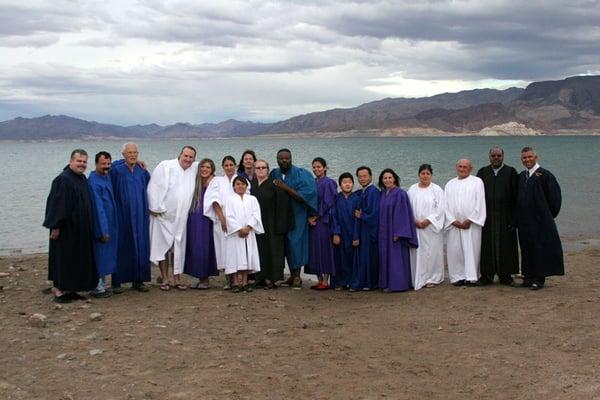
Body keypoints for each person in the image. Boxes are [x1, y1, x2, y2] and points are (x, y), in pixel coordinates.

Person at [43, 149, 97, 303]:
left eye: (84, 162)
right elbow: (56, 204)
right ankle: (59, 291)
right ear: (71, 161)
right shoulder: (63, 180)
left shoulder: (81, 179)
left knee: (76, 259)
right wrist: (55, 226)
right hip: (65, 229)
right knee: (63, 259)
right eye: (79, 161)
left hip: (80, 229)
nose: (82, 164)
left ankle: (72, 289)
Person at [147, 146, 198, 291]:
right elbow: (154, 186)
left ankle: (177, 279)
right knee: (162, 247)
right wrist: (155, 208)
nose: (188, 159)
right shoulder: (166, 166)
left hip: (181, 218)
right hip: (163, 216)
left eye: (191, 157)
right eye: (185, 156)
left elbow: (209, 167)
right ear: (180, 155)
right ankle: (165, 279)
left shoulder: (194, 169)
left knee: (177, 248)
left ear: (194, 159)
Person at [516, 147, 564, 290]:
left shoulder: (545, 175)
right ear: (521, 160)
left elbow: (555, 198)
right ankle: (528, 277)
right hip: (524, 222)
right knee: (526, 248)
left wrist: (547, 216)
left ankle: (539, 278)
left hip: (540, 221)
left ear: (536, 157)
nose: (527, 160)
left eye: (530, 157)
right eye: (524, 158)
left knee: (540, 249)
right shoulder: (522, 177)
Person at [270, 149, 318, 289]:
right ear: (277, 159)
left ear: (291, 158)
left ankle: (297, 276)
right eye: (281, 158)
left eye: (287, 158)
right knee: (284, 245)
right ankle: (291, 275)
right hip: (280, 215)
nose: (284, 161)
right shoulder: (274, 173)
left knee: (295, 243)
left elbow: (305, 196)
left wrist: (285, 187)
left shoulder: (302, 174)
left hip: (297, 214)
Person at [110, 142, 151, 292]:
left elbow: (151, 189)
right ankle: (117, 282)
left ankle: (138, 280)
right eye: (129, 153)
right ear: (123, 155)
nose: (133, 155)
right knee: (122, 246)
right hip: (123, 215)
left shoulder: (142, 171)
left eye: (135, 152)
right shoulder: (117, 170)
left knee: (140, 246)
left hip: (140, 215)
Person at [476, 147, 519, 286]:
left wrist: (514, 218)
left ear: (503, 156)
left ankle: (506, 275)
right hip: (486, 217)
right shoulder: (482, 173)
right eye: (493, 155)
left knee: (507, 246)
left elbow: (516, 196)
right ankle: (486, 275)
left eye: (498, 155)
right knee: (486, 246)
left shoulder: (511, 172)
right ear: (489, 157)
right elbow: (476, 196)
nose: (496, 158)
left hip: (505, 216)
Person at [250, 159, 294, 289]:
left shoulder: (275, 184)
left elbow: (283, 204)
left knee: (273, 250)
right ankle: (260, 278)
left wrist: (280, 224)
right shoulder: (251, 185)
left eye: (263, 167)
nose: (260, 170)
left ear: (268, 169)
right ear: (254, 169)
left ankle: (273, 280)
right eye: (258, 168)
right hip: (256, 223)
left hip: (272, 222)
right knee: (259, 250)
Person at [444, 159, 487, 286]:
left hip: (471, 224)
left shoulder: (477, 182)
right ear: (456, 167)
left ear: (470, 168)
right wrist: (452, 220)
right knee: (455, 251)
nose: (462, 169)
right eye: (460, 166)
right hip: (455, 225)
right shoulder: (450, 184)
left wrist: (470, 219)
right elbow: (445, 205)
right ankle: (458, 276)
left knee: (472, 250)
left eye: (465, 167)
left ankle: (472, 276)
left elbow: (480, 202)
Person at [378, 168, 418, 292]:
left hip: (395, 233)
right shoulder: (383, 194)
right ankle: (387, 283)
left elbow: (403, 213)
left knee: (396, 258)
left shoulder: (400, 193)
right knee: (385, 257)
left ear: (394, 178)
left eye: (390, 177)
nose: (387, 180)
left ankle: (398, 285)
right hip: (384, 232)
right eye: (385, 178)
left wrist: (399, 232)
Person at [407, 164, 445, 290]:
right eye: (422, 173)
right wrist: (414, 220)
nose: (425, 176)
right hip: (416, 226)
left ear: (431, 175)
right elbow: (407, 207)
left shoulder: (437, 190)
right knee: (418, 253)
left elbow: (440, 209)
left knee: (431, 253)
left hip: (431, 228)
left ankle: (431, 278)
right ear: (419, 175)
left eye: (427, 173)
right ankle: (416, 277)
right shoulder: (412, 189)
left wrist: (428, 221)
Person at [224, 176, 264, 292]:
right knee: (235, 256)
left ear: (246, 186)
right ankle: (235, 282)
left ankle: (245, 282)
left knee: (247, 255)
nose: (240, 186)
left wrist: (248, 227)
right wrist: (238, 229)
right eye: (237, 184)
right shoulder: (230, 200)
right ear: (234, 186)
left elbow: (256, 214)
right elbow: (229, 216)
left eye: (242, 184)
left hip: (248, 233)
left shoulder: (252, 199)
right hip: (235, 234)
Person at [204, 155, 238, 289]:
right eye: (226, 165)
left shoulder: (240, 179)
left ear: (235, 165)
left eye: (231, 165)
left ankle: (237, 277)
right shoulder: (217, 181)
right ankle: (228, 279)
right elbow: (213, 199)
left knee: (236, 249)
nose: (229, 167)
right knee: (223, 249)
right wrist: (222, 218)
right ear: (223, 167)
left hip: (237, 220)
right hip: (221, 220)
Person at [184, 158, 219, 289]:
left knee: (205, 247)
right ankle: (199, 277)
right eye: (202, 167)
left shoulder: (215, 183)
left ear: (213, 170)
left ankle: (205, 279)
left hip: (206, 220)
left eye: (208, 168)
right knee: (195, 247)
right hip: (193, 218)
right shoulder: (194, 182)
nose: (204, 169)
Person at [88, 151, 118, 298]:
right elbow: (98, 208)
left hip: (111, 223)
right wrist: (103, 230)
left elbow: (118, 164)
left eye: (108, 163)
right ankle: (97, 286)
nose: (106, 166)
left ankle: (103, 285)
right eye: (103, 164)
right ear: (96, 164)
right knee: (100, 256)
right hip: (101, 225)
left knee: (107, 256)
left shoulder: (106, 176)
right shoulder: (93, 181)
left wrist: (137, 161)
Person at [305, 157, 337, 290]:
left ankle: (325, 280)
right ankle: (318, 279)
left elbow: (328, 202)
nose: (316, 169)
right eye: (314, 167)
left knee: (324, 250)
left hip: (323, 221)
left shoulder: (329, 183)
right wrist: (308, 218)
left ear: (325, 168)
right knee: (313, 250)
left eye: (318, 167)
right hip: (311, 222)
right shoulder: (312, 182)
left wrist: (316, 217)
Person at [351, 166, 380, 291]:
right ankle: (367, 282)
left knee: (368, 257)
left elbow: (375, 214)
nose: (362, 179)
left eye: (365, 176)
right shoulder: (363, 191)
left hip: (369, 231)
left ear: (371, 176)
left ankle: (369, 283)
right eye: (360, 176)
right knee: (364, 257)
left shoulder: (373, 192)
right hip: (363, 230)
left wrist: (362, 215)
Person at [331, 172, 360, 290]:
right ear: (340, 185)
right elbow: (334, 217)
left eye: (349, 182)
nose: (347, 185)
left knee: (353, 259)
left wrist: (357, 236)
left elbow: (359, 220)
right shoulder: (336, 199)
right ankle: (340, 282)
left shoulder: (357, 199)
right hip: (341, 234)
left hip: (353, 233)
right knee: (340, 259)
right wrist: (336, 233)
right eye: (344, 182)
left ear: (353, 184)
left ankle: (352, 282)